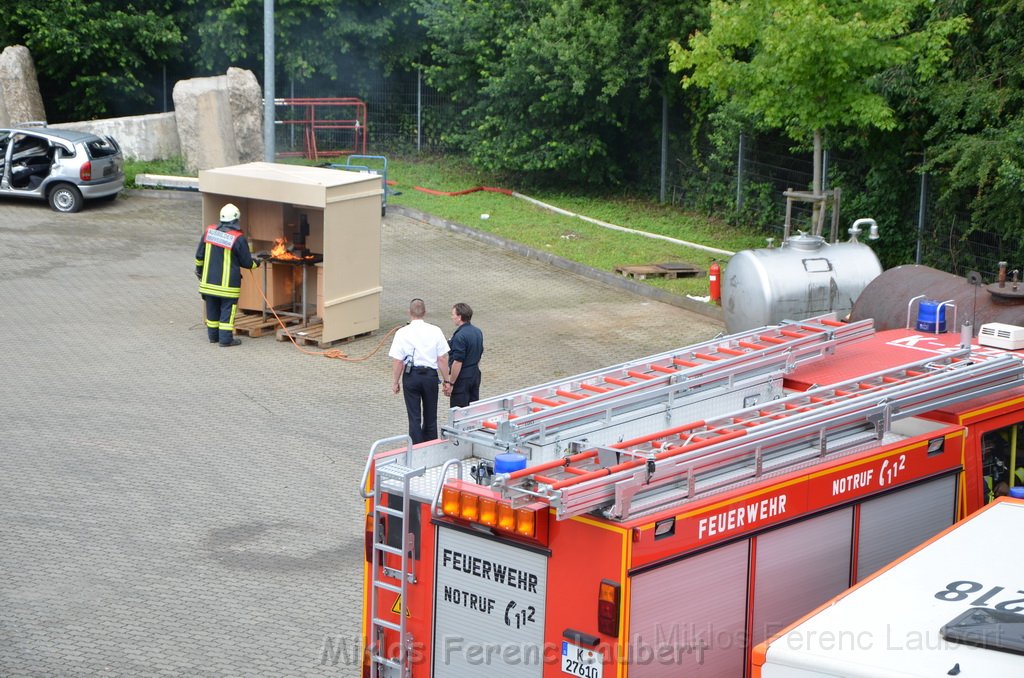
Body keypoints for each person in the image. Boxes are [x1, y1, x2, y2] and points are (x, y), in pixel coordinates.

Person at [195, 203, 262, 347]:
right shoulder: (238, 237)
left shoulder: (209, 232)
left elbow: (199, 256)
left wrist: (199, 272)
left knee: (212, 310)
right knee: (227, 311)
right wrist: (258, 263)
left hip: (208, 283)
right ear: (237, 219)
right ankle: (225, 340)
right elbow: (246, 262)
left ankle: (213, 337)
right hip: (227, 286)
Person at [389, 299, 450, 443]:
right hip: (430, 376)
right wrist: (447, 380)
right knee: (430, 414)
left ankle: (416, 448)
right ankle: (430, 445)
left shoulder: (402, 333)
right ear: (425, 313)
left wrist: (395, 382)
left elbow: (398, 361)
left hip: (411, 376)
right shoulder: (435, 330)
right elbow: (442, 358)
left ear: (409, 313)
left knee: (414, 416)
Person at [443, 302, 484, 408]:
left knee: (459, 412)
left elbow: (457, 361)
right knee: (473, 409)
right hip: (475, 374)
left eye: (453, 314)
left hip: (462, 379)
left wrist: (451, 383)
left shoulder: (459, 336)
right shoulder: (477, 332)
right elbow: (479, 354)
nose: (452, 317)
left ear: (459, 317)